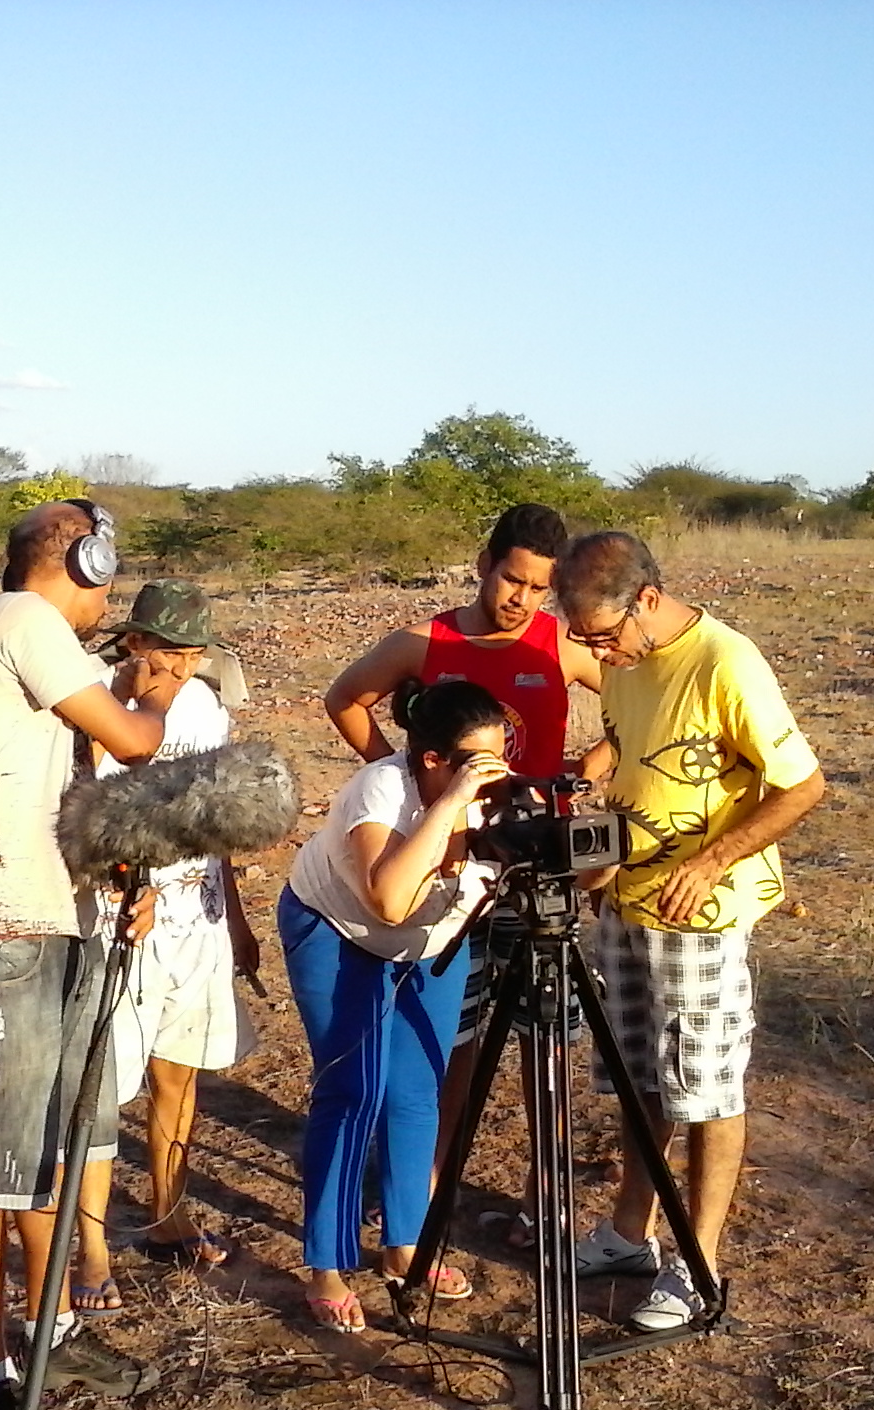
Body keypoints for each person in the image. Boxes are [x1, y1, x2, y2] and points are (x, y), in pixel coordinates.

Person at [0, 499, 178, 1410]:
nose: (108, 599)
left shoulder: (21, 644)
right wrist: (155, 690)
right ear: (85, 561)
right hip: (2, 930)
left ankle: (52, 1332)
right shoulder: (22, 620)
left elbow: (61, 797)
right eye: (106, 573)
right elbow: (135, 741)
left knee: (50, 1147)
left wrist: (116, 873)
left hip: (49, 918)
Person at [552, 530, 826, 1332]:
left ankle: (697, 1261)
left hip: (702, 912)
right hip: (627, 899)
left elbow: (803, 786)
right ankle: (627, 1233)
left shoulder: (726, 662)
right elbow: (634, 742)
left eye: (603, 635)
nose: (595, 652)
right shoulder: (625, 662)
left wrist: (710, 863)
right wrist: (591, 776)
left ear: (647, 600)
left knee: (704, 1087)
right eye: (583, 638)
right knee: (641, 1079)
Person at [323, 503, 605, 1246]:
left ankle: (546, 1200)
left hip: (535, 862)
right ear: (484, 565)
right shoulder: (427, 641)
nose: (523, 599)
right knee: (451, 1029)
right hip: (449, 864)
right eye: (513, 580)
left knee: (544, 1035)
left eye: (540, 588)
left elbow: (631, 708)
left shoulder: (561, 644)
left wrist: (582, 773)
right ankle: (424, 1187)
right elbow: (344, 698)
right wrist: (409, 787)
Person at [278, 679, 510, 1333]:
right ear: (433, 759)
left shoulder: (495, 800)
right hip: (337, 931)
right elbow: (388, 900)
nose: (491, 776)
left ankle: (406, 1243)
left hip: (432, 943)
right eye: (475, 763)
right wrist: (453, 806)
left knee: (416, 1093)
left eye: (500, 758)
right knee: (351, 1091)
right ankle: (328, 1264)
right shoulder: (381, 789)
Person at [71, 580, 262, 1311]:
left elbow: (216, 819)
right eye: (168, 652)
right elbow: (81, 811)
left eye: (192, 655)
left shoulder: (206, 707)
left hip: (196, 914)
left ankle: (168, 1215)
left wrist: (235, 915)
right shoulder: (94, 701)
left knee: (179, 1075)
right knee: (101, 1090)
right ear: (135, 642)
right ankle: (91, 1251)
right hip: (122, 919)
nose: (179, 668)